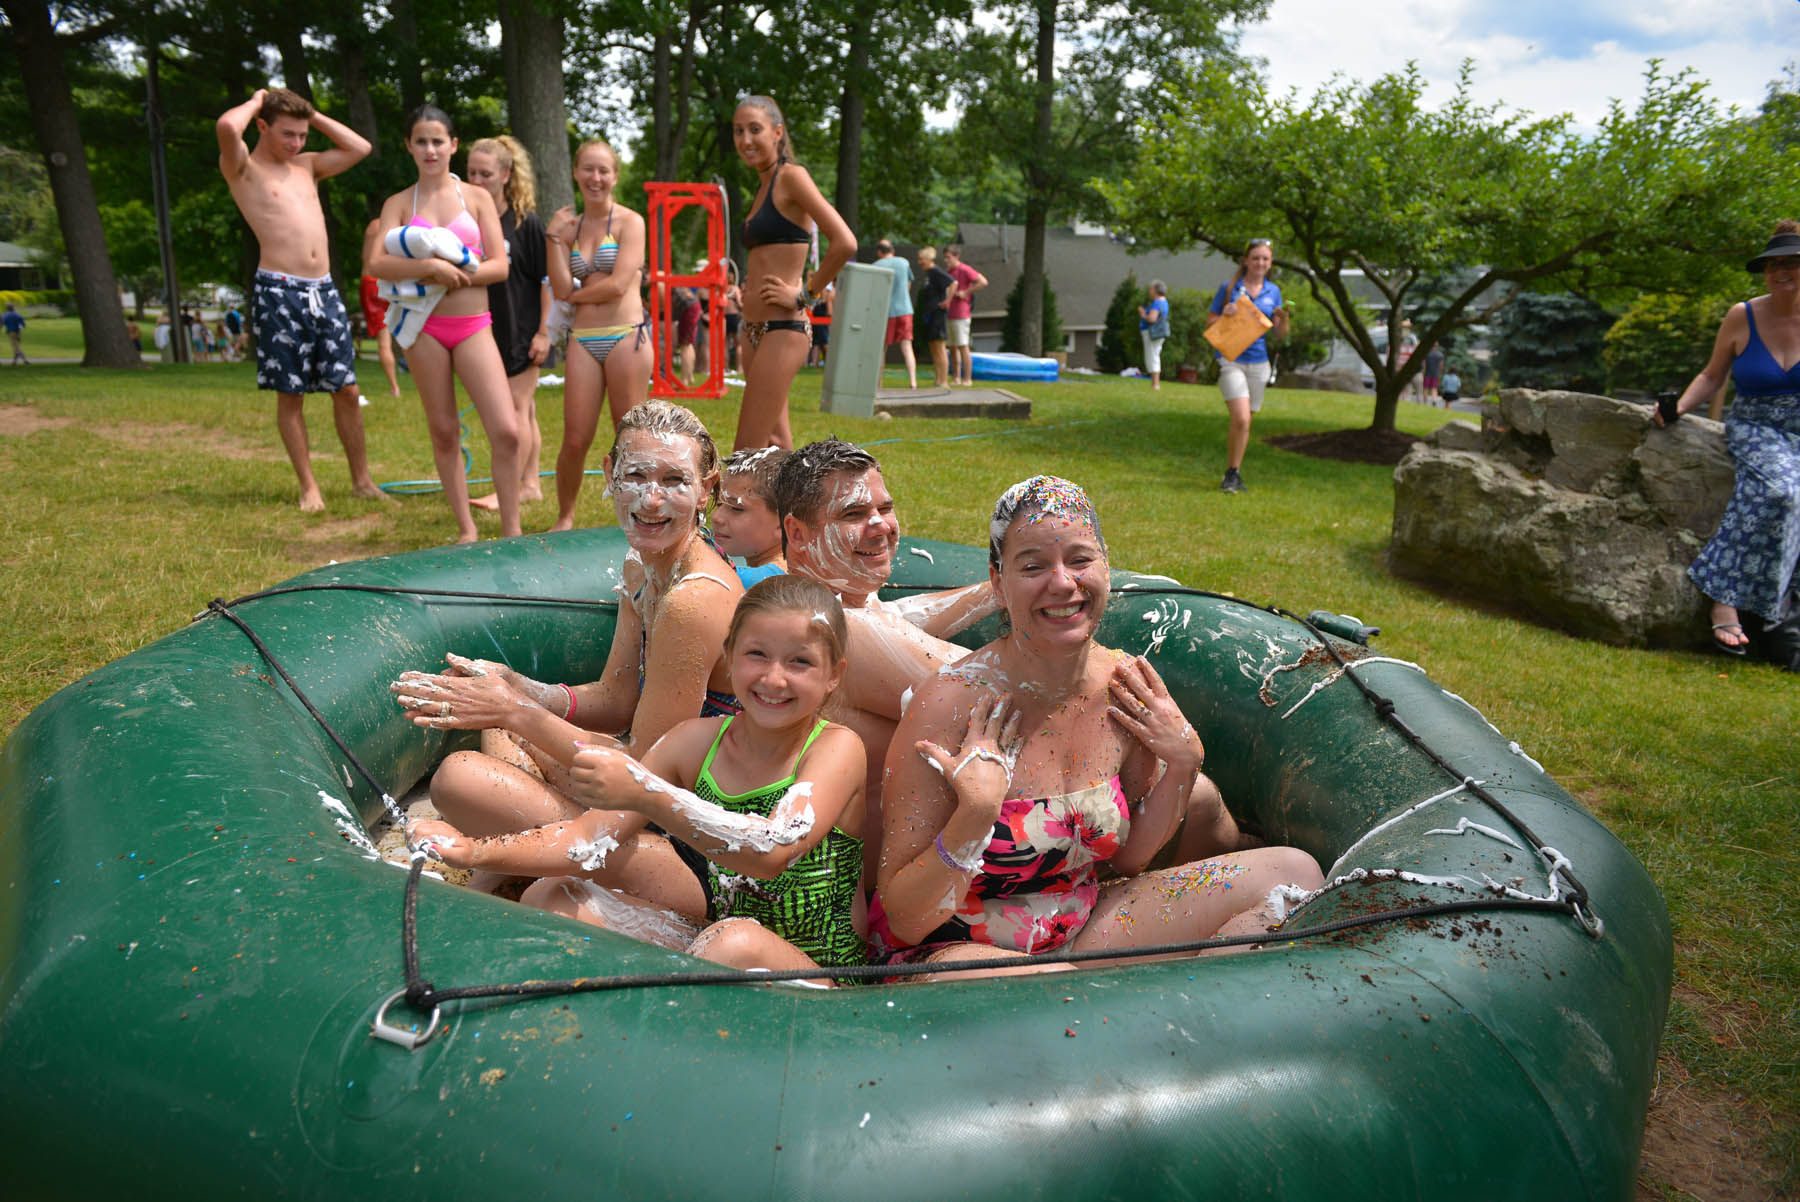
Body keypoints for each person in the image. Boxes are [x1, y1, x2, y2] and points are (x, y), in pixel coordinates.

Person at [871, 476, 1324, 977]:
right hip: (953, 956)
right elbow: (905, 919)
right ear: (999, 584)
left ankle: (1195, 1018)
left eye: (1080, 560)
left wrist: (1181, 765)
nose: (1063, 583)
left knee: (1293, 871)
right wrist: (974, 816)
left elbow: (1128, 861)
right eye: (1033, 566)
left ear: (1106, 567)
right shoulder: (947, 706)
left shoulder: (1123, 685)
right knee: (1038, 983)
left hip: (1080, 932)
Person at [410, 576, 870, 981]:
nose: (774, 678)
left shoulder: (837, 748)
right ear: (729, 658)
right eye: (757, 655)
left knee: (737, 942)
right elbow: (586, 837)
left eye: (800, 662)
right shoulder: (693, 742)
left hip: (819, 973)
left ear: (834, 675)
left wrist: (651, 795)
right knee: (554, 896)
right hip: (711, 940)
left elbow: (771, 852)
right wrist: (473, 849)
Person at [391, 402, 744, 879]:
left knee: (462, 779)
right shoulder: (642, 565)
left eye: (675, 481)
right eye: (636, 476)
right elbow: (618, 697)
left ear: (707, 490)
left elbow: (644, 772)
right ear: (609, 473)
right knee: (501, 730)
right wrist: (519, 687)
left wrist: (516, 709)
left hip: (685, 841)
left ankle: (523, 861)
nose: (651, 500)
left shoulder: (695, 599)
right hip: (637, 797)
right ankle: (527, 859)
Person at [215, 87, 381, 512]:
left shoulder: (308, 166)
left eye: (303, 136)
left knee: (346, 388)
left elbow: (360, 147)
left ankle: (362, 481)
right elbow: (227, 126)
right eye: (288, 134)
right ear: (263, 126)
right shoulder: (242, 168)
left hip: (323, 290)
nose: (297, 144)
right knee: (291, 394)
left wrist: (311, 114)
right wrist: (255, 99)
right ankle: (310, 487)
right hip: (278, 290)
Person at [368, 103, 522, 542]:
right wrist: (431, 268)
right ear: (409, 147)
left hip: (473, 324)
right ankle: (466, 529)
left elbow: (499, 266)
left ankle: (512, 530)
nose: (430, 149)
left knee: (507, 431)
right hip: (425, 330)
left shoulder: (474, 198)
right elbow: (378, 262)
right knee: (443, 429)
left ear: (453, 145)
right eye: (421, 141)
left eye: (438, 141)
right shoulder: (398, 203)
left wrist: (461, 271)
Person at [1655, 220, 1800, 661]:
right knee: (1781, 491)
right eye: (1772, 265)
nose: (1780, 272)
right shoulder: (1743, 316)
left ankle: (1781, 621)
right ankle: (1723, 595)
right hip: (1757, 427)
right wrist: (1678, 407)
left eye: (1791, 263)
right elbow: (1713, 375)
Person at [731, 94, 856, 450]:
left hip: (783, 328)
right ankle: (794, 507)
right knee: (775, 443)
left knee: (747, 452)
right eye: (738, 131)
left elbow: (844, 242)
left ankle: (732, 507)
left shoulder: (791, 177)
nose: (746, 140)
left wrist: (806, 295)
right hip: (753, 329)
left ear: (778, 132)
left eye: (755, 129)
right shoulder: (762, 186)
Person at [545, 137, 653, 531]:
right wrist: (554, 241)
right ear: (576, 173)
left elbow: (619, 284)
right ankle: (565, 516)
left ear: (615, 176)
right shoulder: (568, 228)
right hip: (583, 339)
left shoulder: (631, 221)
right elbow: (558, 286)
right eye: (588, 169)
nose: (595, 178)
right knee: (575, 438)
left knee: (630, 435)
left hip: (626, 334)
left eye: (603, 170)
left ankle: (640, 516)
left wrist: (576, 293)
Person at [465, 135, 551, 512]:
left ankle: (508, 490)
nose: (477, 181)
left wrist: (545, 332)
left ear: (505, 174)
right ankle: (530, 483)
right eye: (471, 173)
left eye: (486, 173)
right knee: (525, 411)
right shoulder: (466, 221)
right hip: (484, 329)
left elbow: (547, 281)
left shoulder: (524, 223)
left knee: (516, 411)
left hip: (523, 330)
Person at [1207, 238, 1289, 493]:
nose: (1260, 263)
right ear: (1246, 261)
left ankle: (1234, 472)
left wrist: (1284, 319)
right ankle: (1231, 475)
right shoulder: (1230, 287)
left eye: (1265, 258)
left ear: (1270, 262)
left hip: (1259, 363)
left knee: (1244, 422)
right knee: (1241, 417)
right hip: (1230, 360)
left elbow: (1279, 334)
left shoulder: (1273, 291)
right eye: (1256, 258)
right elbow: (1210, 322)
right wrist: (1225, 314)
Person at [713, 446, 788, 587]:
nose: (716, 517)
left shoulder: (749, 582)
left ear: (783, 524)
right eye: (718, 504)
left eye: (736, 509)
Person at [357, 223, 403, 398]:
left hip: (371, 283)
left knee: (384, 342)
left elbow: (364, 257)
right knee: (407, 332)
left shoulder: (372, 227)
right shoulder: (398, 226)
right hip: (392, 282)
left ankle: (394, 388)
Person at [872, 238, 918, 389]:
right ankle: (913, 381)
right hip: (905, 309)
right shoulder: (904, 262)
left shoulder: (876, 266)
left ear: (879, 252)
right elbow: (909, 284)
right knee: (907, 347)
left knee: (881, 349)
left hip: (885, 312)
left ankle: (879, 383)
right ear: (892, 250)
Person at [942, 244, 987, 387]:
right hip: (949, 313)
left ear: (957, 256)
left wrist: (966, 292)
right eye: (945, 258)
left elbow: (983, 282)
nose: (946, 260)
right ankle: (956, 378)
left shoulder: (964, 269)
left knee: (963, 346)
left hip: (961, 314)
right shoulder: (948, 272)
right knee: (952, 347)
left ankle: (967, 379)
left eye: (948, 257)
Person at [915, 246, 953, 388]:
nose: (919, 262)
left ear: (929, 259)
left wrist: (947, 301)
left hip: (938, 315)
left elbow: (953, 283)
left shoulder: (936, 272)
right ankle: (938, 379)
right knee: (933, 347)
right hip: (930, 315)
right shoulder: (928, 274)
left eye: (921, 259)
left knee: (939, 346)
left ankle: (943, 381)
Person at [1138, 279, 1171, 391]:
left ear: (1156, 290)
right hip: (1157, 334)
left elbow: (1152, 318)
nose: (1149, 291)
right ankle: (1154, 384)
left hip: (1152, 334)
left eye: (1151, 289)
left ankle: (1155, 384)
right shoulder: (1164, 302)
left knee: (1153, 356)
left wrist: (1143, 314)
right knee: (1154, 356)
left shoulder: (1157, 302)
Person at [807, 283, 832, 368]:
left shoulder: (827, 295)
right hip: (819, 321)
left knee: (822, 343)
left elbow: (829, 311)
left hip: (822, 321)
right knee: (817, 343)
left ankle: (824, 363)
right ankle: (815, 364)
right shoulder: (822, 296)